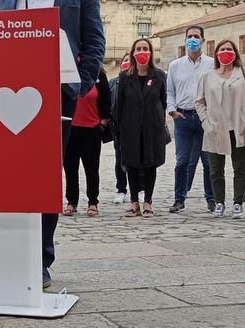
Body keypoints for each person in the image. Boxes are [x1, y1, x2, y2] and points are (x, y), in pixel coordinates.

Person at [0, 0, 105, 287]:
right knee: (7, 175)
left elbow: (94, 42)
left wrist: (80, 85)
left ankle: (40, 257)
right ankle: (6, 253)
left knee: (44, 177)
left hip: (57, 96)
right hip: (8, 95)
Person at [194, 39, 245, 219]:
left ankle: (238, 202)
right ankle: (219, 202)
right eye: (222, 49)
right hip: (215, 128)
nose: (226, 52)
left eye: (229, 49)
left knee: (240, 167)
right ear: (216, 54)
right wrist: (205, 122)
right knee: (215, 168)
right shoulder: (208, 76)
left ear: (235, 53)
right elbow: (199, 102)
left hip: (239, 127)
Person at [113, 38, 168, 217]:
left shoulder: (159, 75)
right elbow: (120, 105)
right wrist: (120, 131)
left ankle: (148, 202)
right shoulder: (125, 76)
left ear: (151, 52)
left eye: (145, 48)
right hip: (130, 128)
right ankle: (134, 201)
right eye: (138, 48)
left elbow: (164, 102)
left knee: (150, 165)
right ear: (133, 53)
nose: (142, 51)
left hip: (152, 127)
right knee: (132, 165)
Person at [166, 25, 215, 213]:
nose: (192, 40)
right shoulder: (175, 66)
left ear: (203, 40)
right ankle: (179, 199)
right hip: (183, 116)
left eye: (196, 36)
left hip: (205, 117)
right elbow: (170, 92)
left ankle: (212, 199)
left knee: (208, 161)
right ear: (185, 40)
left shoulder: (212, 64)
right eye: (189, 36)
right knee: (182, 161)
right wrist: (172, 111)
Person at [63, 66, 111, 217]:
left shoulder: (98, 73)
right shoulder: (65, 72)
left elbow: (105, 98)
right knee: (70, 168)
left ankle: (93, 202)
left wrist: (102, 122)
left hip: (91, 128)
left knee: (91, 168)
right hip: (70, 128)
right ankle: (71, 202)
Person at [108, 56, 130, 204]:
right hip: (118, 127)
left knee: (139, 160)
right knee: (119, 159)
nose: (127, 63)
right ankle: (121, 189)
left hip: (137, 127)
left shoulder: (139, 81)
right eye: (125, 60)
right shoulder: (112, 83)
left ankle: (141, 189)